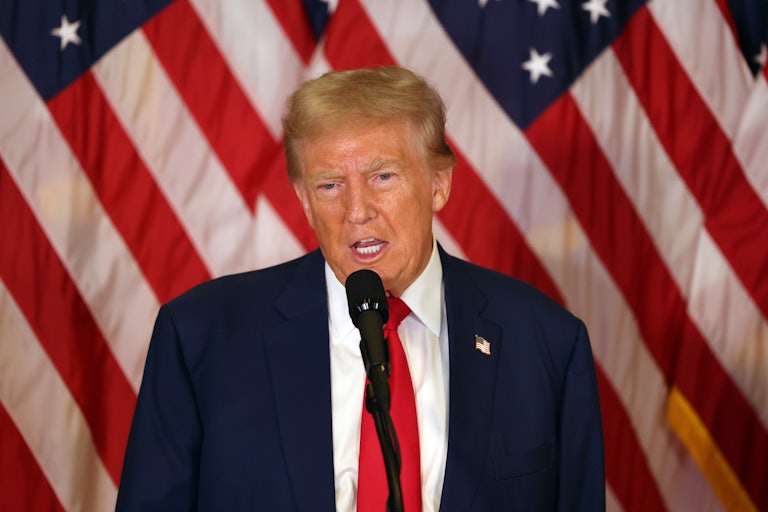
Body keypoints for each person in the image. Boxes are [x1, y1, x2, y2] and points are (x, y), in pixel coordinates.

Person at [116, 66, 605, 511]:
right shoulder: (202, 338)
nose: (357, 210)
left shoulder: (545, 343)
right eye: (329, 185)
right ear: (304, 202)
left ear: (439, 183)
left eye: (383, 176)